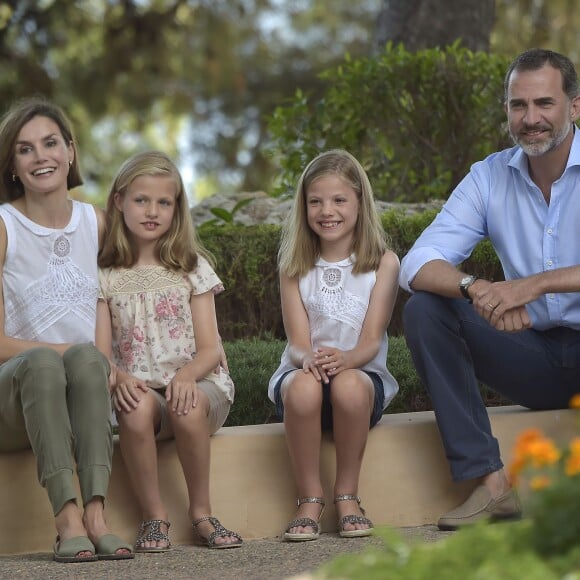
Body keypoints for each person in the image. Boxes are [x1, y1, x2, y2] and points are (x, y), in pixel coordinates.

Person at [400, 48, 580, 530]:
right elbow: (417, 262)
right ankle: (492, 485)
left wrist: (531, 286)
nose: (531, 119)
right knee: (426, 310)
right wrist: (476, 287)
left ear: (574, 107)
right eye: (518, 106)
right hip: (533, 356)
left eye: (544, 103)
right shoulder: (489, 176)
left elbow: (528, 289)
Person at [0, 97, 133, 562]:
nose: (42, 157)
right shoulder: (4, 227)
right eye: (25, 149)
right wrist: (71, 353)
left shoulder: (95, 221)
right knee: (45, 360)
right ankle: (67, 518)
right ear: (12, 166)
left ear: (71, 151)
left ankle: (96, 515)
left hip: (84, 395)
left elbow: (112, 298)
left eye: (50, 143)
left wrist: (104, 362)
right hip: (15, 399)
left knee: (84, 357)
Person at [96, 150, 242, 551]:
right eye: (142, 200)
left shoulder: (191, 267)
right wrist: (120, 376)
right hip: (145, 393)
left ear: (177, 209)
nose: (152, 211)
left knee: (187, 403)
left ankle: (201, 513)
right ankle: (154, 517)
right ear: (119, 200)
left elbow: (211, 349)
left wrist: (187, 375)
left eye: (164, 202)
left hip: (199, 386)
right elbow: (102, 352)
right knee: (133, 406)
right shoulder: (106, 276)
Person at [268, 149, 400, 542]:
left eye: (339, 200)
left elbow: (372, 342)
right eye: (316, 201)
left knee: (349, 382)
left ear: (360, 203)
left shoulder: (383, 263)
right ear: (304, 206)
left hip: (359, 383)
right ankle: (309, 497)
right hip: (303, 378)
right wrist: (310, 359)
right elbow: (296, 343)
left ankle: (347, 495)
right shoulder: (294, 265)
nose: (327, 211)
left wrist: (345, 360)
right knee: (306, 386)